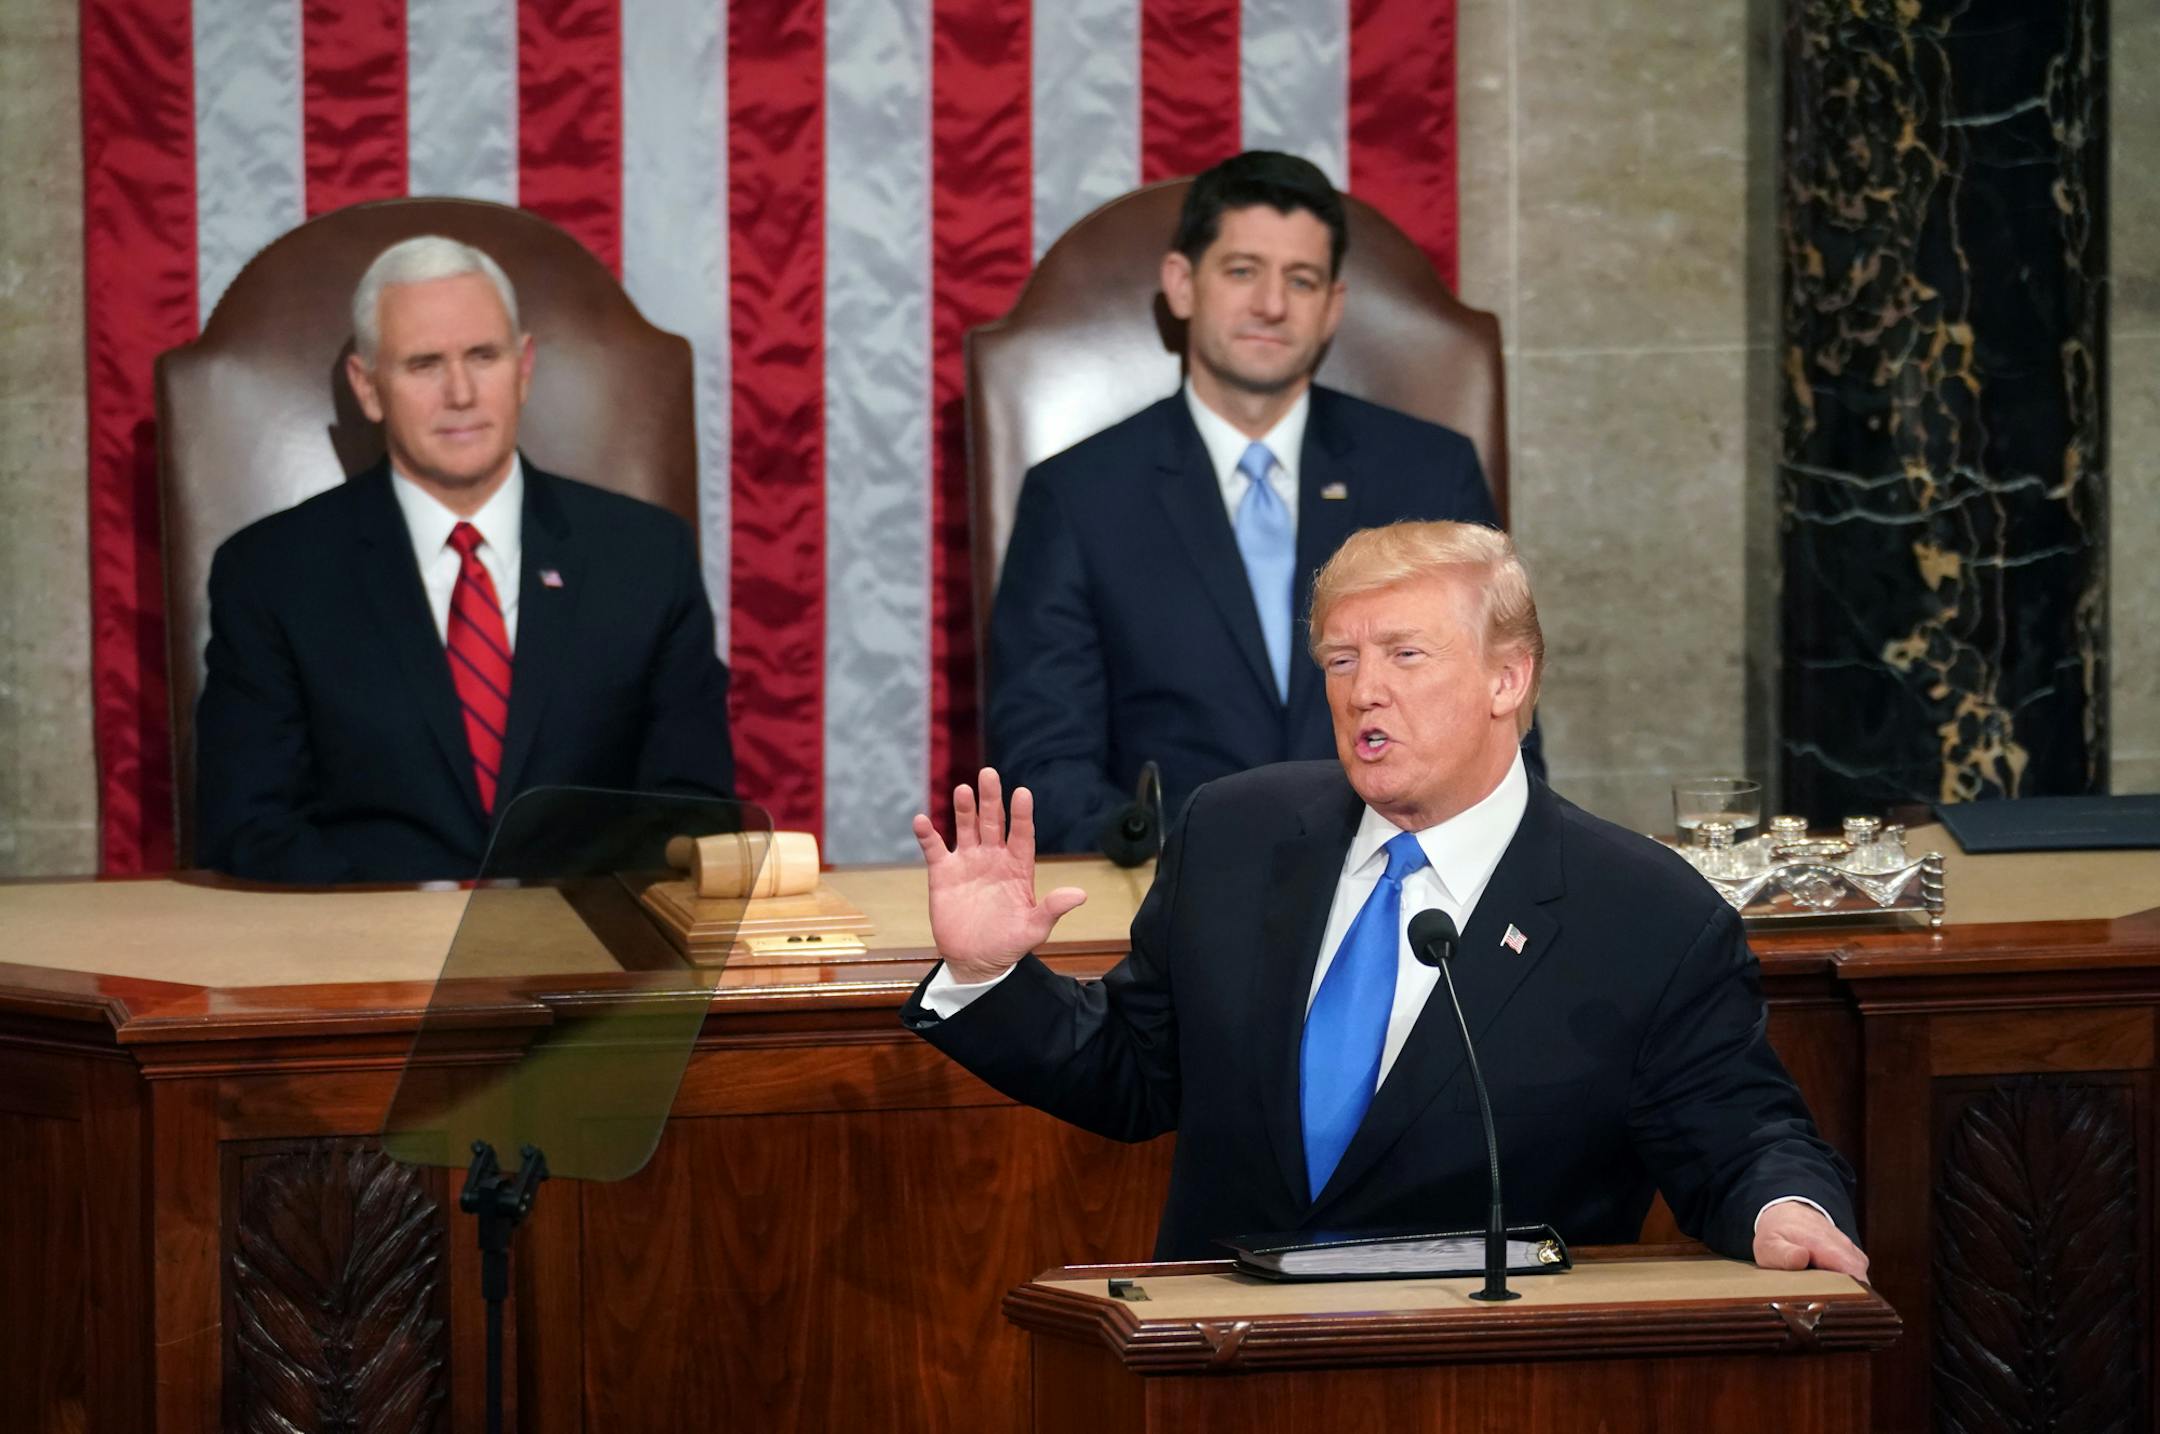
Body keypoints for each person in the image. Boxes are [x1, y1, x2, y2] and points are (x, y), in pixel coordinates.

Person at [906, 521, 1866, 1277]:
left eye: (1406, 656)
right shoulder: (1235, 833)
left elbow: (1741, 1138)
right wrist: (990, 975)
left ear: (1507, 677)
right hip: (1220, 1365)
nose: (1365, 691)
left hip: (1487, 1380)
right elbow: (1133, 1074)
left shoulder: (1645, 914)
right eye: (1340, 659)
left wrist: (1789, 1213)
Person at [988, 149, 1538, 855]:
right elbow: (1044, 762)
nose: (1271, 305)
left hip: (1405, 878)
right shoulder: (1078, 495)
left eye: (1300, 280)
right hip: (1170, 887)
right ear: (1183, 285)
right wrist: (1194, 858)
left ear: (1331, 306)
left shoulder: (1429, 471)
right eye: (1242, 271)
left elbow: (1503, 717)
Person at [195, 235, 734, 883]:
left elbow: (695, 812)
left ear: (524, 368)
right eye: (424, 364)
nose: (460, 393)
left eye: (483, 356)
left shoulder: (646, 556)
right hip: (360, 964)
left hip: (588, 958)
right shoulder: (271, 574)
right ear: (368, 388)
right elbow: (247, 827)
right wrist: (409, 922)